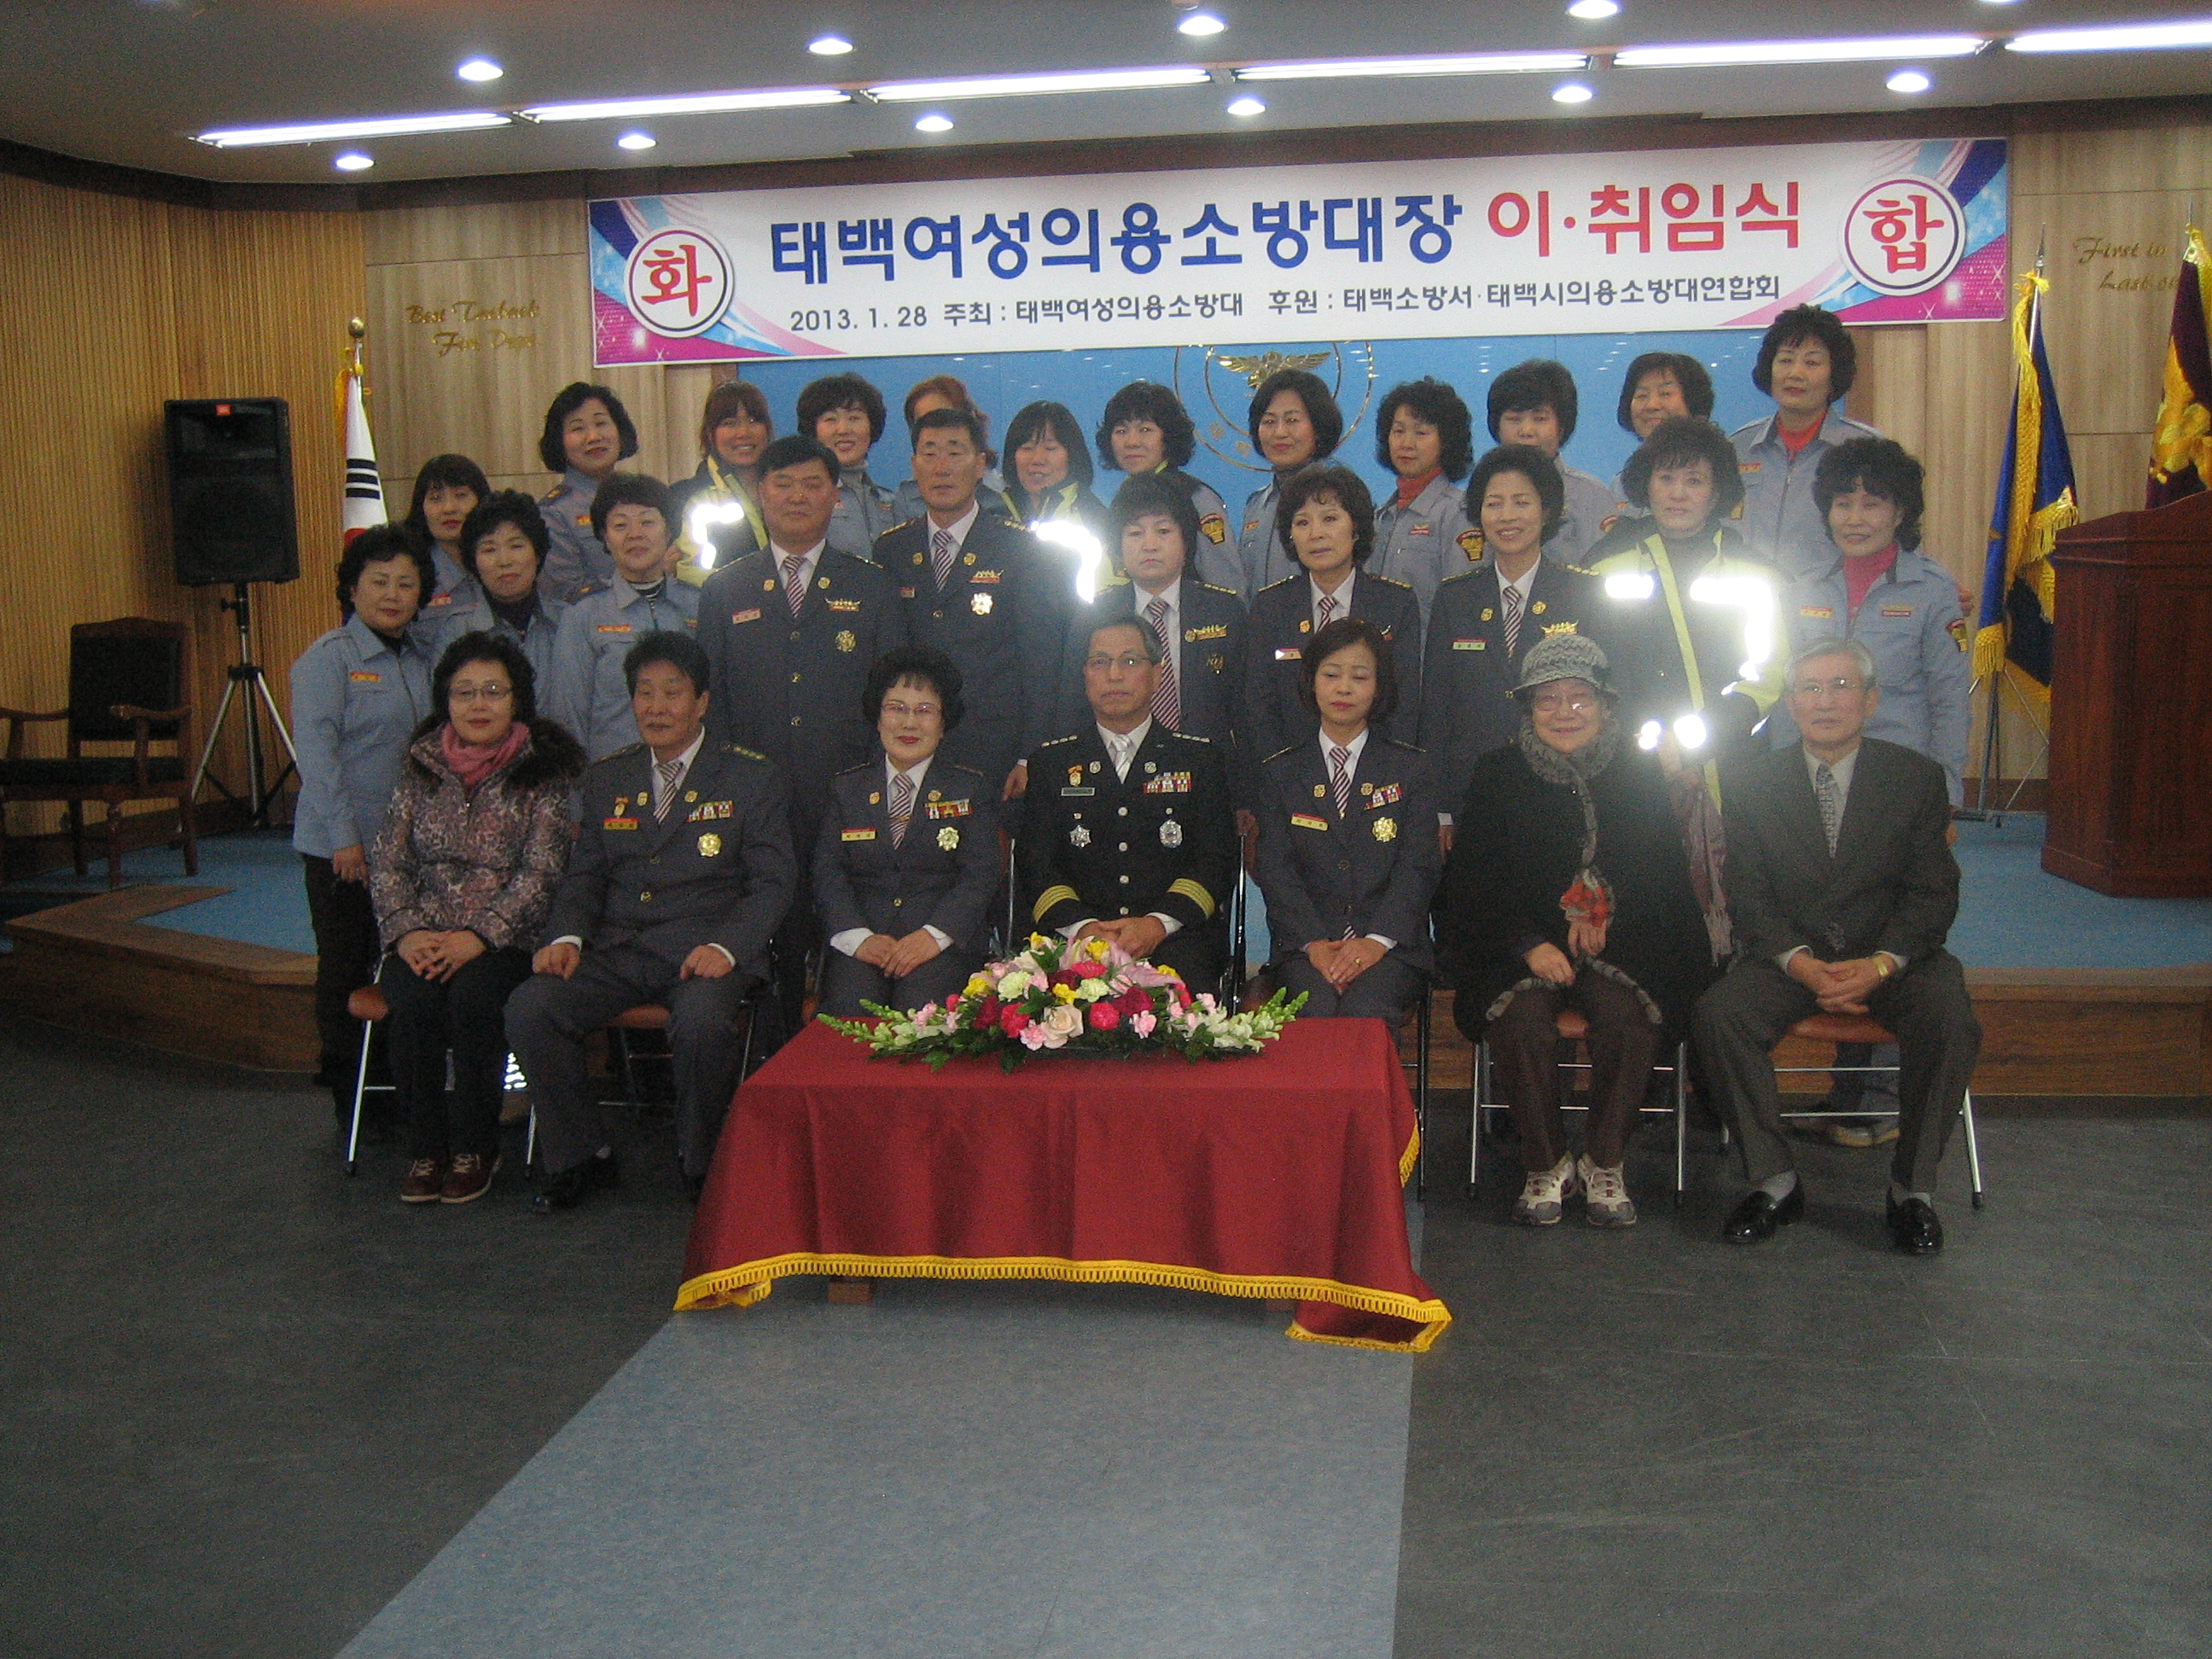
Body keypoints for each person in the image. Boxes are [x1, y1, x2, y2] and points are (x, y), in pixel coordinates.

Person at [1694, 637, 1980, 1255]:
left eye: (1842, 687)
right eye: (1811, 689)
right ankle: (1774, 1181)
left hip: (1894, 958)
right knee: (1720, 1015)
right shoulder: (1750, 782)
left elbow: (1934, 894)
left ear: (1871, 701)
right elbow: (1747, 893)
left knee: (1950, 1018)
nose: (1825, 702)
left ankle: (1912, 1191)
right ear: (1791, 703)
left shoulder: (1915, 779)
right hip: (1792, 959)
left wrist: (1880, 965)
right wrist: (1801, 964)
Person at [506, 632, 795, 1209]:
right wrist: (565, 936)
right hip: (618, 950)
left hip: (704, 952)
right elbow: (585, 876)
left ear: (702, 702)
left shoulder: (750, 777)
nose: (656, 707)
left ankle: (702, 1162)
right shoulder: (609, 777)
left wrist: (729, 948)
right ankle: (580, 1155)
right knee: (531, 1007)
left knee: (702, 1024)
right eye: (644, 692)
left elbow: (773, 883)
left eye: (672, 692)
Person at [1436, 634, 1714, 1228]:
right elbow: (1474, 880)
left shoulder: (1639, 772)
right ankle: (1546, 1164)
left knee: (1629, 1018)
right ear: (1528, 710)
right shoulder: (1497, 773)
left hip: (1625, 942)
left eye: (1579, 698)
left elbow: (1661, 874)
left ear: (1606, 706)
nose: (1564, 712)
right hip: (1518, 947)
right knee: (1521, 1019)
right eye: (1547, 700)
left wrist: (1604, 907)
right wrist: (1529, 944)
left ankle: (1604, 1160)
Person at [1769, 437, 1972, 1149]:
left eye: (1873, 502)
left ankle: (1876, 1096)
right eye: (1843, 502)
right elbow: (1782, 689)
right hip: (1811, 781)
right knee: (1823, 920)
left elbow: (1950, 700)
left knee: (1887, 932)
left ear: (1901, 512)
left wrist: (1946, 797)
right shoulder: (1801, 584)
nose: (1855, 517)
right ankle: (1843, 1092)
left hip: (1899, 793)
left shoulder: (1933, 590)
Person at [696, 433, 905, 1039]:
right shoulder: (725, 588)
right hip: (754, 802)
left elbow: (892, 702)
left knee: (847, 937)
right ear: (760, 494)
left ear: (836, 497)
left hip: (848, 796)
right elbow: (712, 703)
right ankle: (770, 1056)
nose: (797, 497)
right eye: (782, 484)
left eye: (813, 485)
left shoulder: (871, 586)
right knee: (770, 940)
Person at [369, 632, 585, 1205]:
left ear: (517, 700)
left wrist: (479, 936)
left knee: (473, 1001)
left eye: (493, 691)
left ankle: (474, 1146)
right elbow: (388, 861)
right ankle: (425, 1149)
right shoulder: (420, 767)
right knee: (412, 1001)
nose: (478, 704)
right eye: (464, 692)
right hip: (421, 934)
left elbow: (543, 873)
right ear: (446, 700)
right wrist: (408, 932)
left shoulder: (542, 773)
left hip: (506, 940)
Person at [290, 525, 438, 1136]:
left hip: (409, 851)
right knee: (347, 968)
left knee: (399, 970)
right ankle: (350, 1094)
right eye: (379, 582)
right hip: (343, 851)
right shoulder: (328, 660)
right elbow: (317, 759)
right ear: (352, 588)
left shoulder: (423, 658)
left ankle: (399, 1084)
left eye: (406, 583)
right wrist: (344, 838)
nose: (393, 594)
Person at [1020, 617, 1237, 992]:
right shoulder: (1050, 764)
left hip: (1175, 937)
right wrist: (1083, 928)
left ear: (1157, 674)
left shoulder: (1200, 760)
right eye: (1100, 662)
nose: (1114, 675)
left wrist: (1157, 924)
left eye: (1130, 661)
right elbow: (1036, 862)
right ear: (1084, 675)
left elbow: (1216, 859)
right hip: (1075, 939)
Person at [879, 406, 1074, 800]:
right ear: (914, 466)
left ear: (981, 464)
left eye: (955, 453)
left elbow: (1041, 661)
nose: (942, 468)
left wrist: (1030, 754)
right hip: (910, 749)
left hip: (995, 749)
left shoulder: (1021, 548)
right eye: (930, 454)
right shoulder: (891, 549)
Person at [1253, 618, 1439, 1022]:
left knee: (1365, 1010)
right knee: (1315, 1008)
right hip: (1304, 949)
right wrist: (1315, 944)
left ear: (1379, 687)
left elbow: (1418, 867)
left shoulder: (1412, 770)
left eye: (1359, 677)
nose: (1344, 688)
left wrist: (1375, 942)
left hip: (1391, 949)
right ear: (1311, 682)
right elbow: (1276, 870)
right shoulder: (1281, 773)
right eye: (1331, 674)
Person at [1418, 445, 1599, 846]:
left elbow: (1603, 698)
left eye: (1521, 502)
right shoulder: (1455, 598)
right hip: (1472, 795)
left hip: (1561, 787)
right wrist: (1440, 808)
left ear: (1546, 510)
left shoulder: (1583, 593)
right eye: (1494, 503)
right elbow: (1436, 709)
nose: (1507, 516)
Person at [815, 648, 1003, 1016]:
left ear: (944, 724)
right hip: (864, 943)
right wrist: (858, 938)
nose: (909, 723)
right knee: (850, 1013)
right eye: (896, 708)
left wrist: (933, 936)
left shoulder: (970, 790)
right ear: (878, 717)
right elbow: (827, 873)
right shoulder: (846, 790)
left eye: (925, 710)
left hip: (941, 946)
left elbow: (979, 876)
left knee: (923, 1014)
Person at [1583, 416, 1784, 760]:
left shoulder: (1755, 573)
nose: (1678, 494)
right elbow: (1591, 665)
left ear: (1716, 492)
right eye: (1665, 478)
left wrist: (1710, 733)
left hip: (1729, 757)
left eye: (1694, 481)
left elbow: (1767, 673)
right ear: (1646, 485)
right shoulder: (1605, 566)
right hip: (1627, 755)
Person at [1058, 472, 1246, 774]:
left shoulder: (1224, 610)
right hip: (1117, 771)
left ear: (1186, 542)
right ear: (1117, 546)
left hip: (1210, 773)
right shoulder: (1093, 616)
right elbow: (1073, 705)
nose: (1149, 545)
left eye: (1163, 531)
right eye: (1135, 533)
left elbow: (1246, 708)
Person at [1241, 463, 1421, 768]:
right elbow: (1260, 708)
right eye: (1302, 522)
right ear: (1290, 536)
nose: (1316, 534)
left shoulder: (1395, 604)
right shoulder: (1270, 607)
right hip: (1289, 776)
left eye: (1330, 519)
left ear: (1356, 529)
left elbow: (1403, 706)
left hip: (1377, 772)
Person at [545, 473, 701, 760]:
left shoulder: (698, 605)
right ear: (604, 537)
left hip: (693, 773)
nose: (635, 534)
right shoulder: (584, 614)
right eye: (620, 525)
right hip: (612, 773)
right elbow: (568, 718)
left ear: (669, 530)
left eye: (647, 522)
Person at [1729, 305, 1883, 577]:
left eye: (1812, 363)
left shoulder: (1867, 450)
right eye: (1785, 360)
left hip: (1831, 598)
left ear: (1834, 374)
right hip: (1746, 595)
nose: (1795, 374)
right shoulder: (1739, 448)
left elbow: (1893, 542)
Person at [423, 492, 568, 683]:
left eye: (516, 546)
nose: (504, 561)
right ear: (474, 562)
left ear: (538, 554)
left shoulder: (568, 622)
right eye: (489, 549)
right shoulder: (457, 631)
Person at [1093, 381, 1231, 579]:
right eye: (1121, 431)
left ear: (1168, 437)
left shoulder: (1196, 497)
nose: (1132, 442)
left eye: (1145, 430)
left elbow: (1226, 580)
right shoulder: (1123, 497)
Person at [1486, 359, 1617, 565]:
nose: (1526, 431)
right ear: (1497, 426)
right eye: (1514, 419)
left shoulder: (1591, 495)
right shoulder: (1480, 494)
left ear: (1561, 427)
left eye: (1540, 419)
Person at [1370, 377, 1477, 626]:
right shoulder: (1380, 516)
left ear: (1446, 441)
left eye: (1421, 433)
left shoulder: (1460, 514)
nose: (1406, 444)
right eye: (1398, 431)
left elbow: (1464, 604)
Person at [1235, 367, 1344, 600]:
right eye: (1269, 421)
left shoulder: (1341, 497)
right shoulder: (1257, 505)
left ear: (1319, 426)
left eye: (1292, 420)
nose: (1280, 432)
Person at [535, 381, 640, 601]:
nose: (593, 437)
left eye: (601, 423)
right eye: (577, 428)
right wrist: (641, 580)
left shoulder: (643, 497)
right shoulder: (553, 512)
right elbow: (565, 593)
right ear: (559, 442)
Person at [1004, 399, 1112, 601]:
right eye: (1027, 448)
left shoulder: (1093, 517)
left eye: (1050, 448)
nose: (1037, 459)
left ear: (1072, 455)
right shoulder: (992, 512)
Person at [668, 379, 771, 586]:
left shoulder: (788, 489)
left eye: (753, 421)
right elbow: (682, 571)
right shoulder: (681, 497)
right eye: (729, 423)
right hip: (712, 604)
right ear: (710, 433)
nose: (743, 433)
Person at [797, 372, 898, 562]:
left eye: (854, 418)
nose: (843, 430)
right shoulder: (803, 498)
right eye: (831, 419)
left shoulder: (888, 501)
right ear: (813, 429)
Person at [888, 374, 1011, 523]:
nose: (936, 428)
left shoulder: (1002, 492)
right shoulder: (907, 496)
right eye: (923, 422)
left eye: (944, 417)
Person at [1612, 351, 1715, 499]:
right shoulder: (1620, 485)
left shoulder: (1720, 472)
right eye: (1642, 395)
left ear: (1694, 401)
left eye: (1665, 393)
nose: (1652, 405)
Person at [400, 453, 490, 615]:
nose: (449, 508)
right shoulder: (409, 572)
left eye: (461, 495)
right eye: (436, 498)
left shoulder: (498, 564)